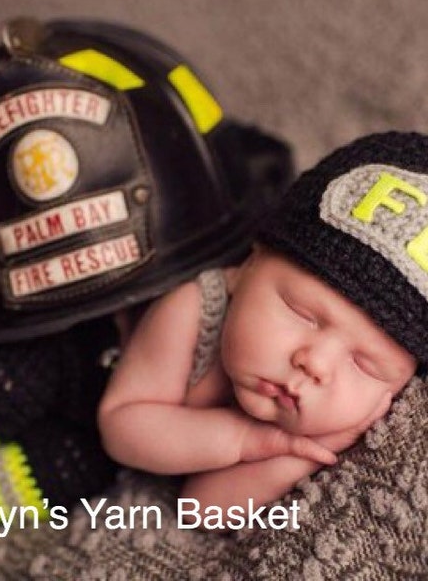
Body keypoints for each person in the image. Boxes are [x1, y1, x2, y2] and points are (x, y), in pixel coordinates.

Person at [0, 18, 293, 534]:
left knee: (67, 468)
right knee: (2, 380)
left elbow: (206, 502)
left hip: (94, 420)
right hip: (68, 361)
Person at [99, 131, 428, 526]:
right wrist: (242, 439)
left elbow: (204, 511)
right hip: (94, 340)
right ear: (250, 263)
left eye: (365, 365)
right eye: (302, 312)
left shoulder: (347, 416)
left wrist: (300, 451)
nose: (314, 363)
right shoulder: (197, 308)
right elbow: (122, 426)